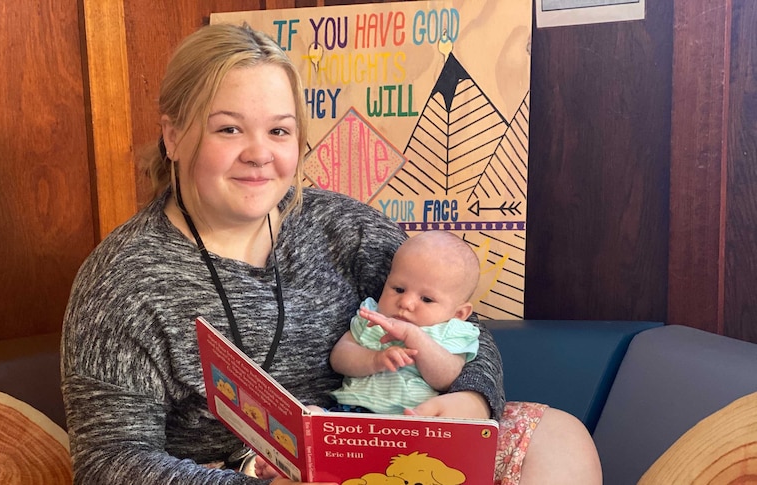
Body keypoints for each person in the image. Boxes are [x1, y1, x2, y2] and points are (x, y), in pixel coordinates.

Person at [61, 23, 602, 485]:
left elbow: (458, 320)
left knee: (559, 437)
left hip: (390, 438)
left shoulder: (340, 225)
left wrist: (473, 399)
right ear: (173, 135)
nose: (260, 155)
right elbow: (110, 460)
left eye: (279, 130)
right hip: (239, 472)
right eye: (228, 129)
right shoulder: (121, 281)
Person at [328, 230, 483, 415]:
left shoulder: (450, 331)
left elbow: (448, 378)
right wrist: (374, 359)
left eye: (426, 299)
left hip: (414, 418)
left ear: (459, 313)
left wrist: (414, 336)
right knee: (313, 414)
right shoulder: (372, 316)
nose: (405, 303)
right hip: (353, 411)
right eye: (399, 289)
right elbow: (339, 358)